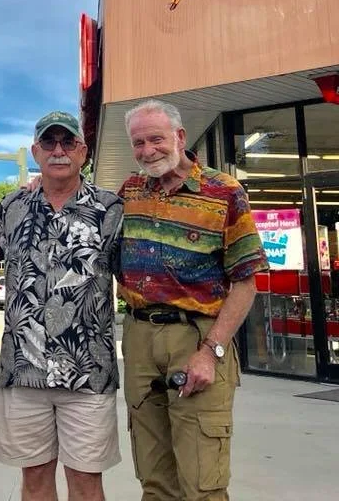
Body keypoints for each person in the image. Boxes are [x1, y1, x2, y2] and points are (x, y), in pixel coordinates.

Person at [118, 99, 269, 501]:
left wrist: (211, 350)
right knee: (153, 479)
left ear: (180, 137)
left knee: (203, 481)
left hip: (196, 339)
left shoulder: (224, 191)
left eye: (156, 139)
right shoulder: (130, 191)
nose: (147, 151)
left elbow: (246, 282)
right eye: (138, 143)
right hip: (138, 337)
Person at [0, 111, 123, 501]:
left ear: (83, 151)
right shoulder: (11, 208)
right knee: (34, 478)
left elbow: (135, 277)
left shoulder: (110, 209)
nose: (58, 150)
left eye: (68, 143)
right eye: (49, 143)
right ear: (35, 151)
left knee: (86, 482)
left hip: (88, 374)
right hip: (24, 370)